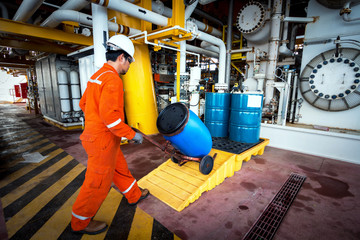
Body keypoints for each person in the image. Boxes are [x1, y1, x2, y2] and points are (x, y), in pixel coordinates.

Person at [71, 34, 150, 235]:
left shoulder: (97, 76)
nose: (130, 66)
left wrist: (95, 122)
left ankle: (134, 195)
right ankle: (80, 222)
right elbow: (112, 120)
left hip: (100, 137)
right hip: (102, 140)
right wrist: (132, 135)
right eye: (130, 61)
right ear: (121, 57)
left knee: (119, 168)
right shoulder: (113, 80)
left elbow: (83, 104)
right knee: (98, 182)